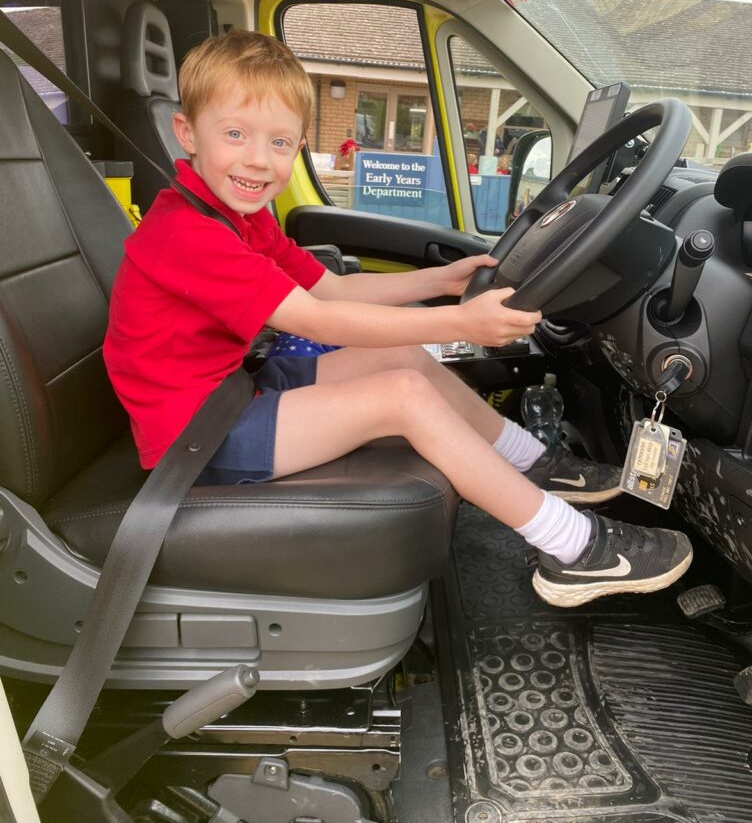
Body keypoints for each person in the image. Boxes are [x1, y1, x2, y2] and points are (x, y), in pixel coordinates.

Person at [104, 30, 692, 608]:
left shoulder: (239, 217)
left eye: (281, 143)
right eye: (235, 134)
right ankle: (578, 551)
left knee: (403, 359)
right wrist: (461, 325)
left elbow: (333, 289)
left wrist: (441, 282)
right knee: (403, 395)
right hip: (194, 437)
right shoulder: (188, 235)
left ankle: (537, 466)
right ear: (187, 134)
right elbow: (320, 322)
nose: (259, 160)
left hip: (226, 394)